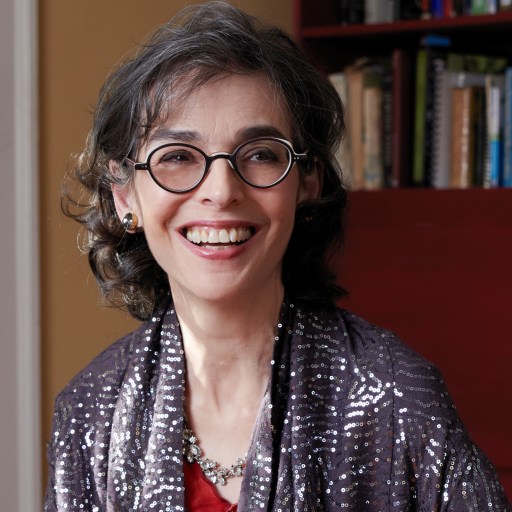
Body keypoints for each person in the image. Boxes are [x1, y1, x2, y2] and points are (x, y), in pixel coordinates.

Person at [44, 2, 511, 511]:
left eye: (262, 154)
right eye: (177, 157)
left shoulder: (396, 398)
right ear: (124, 194)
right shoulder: (90, 410)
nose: (221, 192)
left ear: (307, 182)